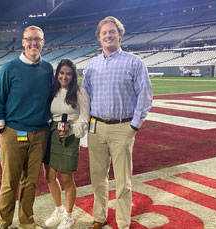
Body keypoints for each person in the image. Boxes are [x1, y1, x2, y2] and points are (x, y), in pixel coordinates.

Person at [82, 16, 152, 229]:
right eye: (104, 33)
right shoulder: (91, 65)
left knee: (123, 180)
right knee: (98, 177)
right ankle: (99, 216)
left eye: (112, 32)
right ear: (99, 37)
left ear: (120, 35)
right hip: (96, 128)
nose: (108, 35)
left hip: (123, 126)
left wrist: (134, 125)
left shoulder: (134, 62)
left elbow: (145, 95)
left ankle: (123, 222)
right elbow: (84, 97)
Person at [0, 25, 53, 229]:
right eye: (29, 39)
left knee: (31, 182)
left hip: (39, 133)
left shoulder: (47, 69)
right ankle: (3, 223)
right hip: (14, 132)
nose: (33, 43)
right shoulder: (9, 68)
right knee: (10, 182)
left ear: (43, 42)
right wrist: (2, 128)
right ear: (23, 42)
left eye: (38, 39)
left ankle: (26, 222)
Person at [42, 59, 90, 229]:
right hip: (51, 133)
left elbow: (85, 118)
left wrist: (70, 131)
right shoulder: (53, 91)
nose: (64, 76)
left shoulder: (80, 92)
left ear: (73, 75)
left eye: (68, 73)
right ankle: (59, 210)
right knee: (49, 175)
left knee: (67, 178)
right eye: (61, 73)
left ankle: (68, 216)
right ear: (57, 74)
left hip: (70, 134)